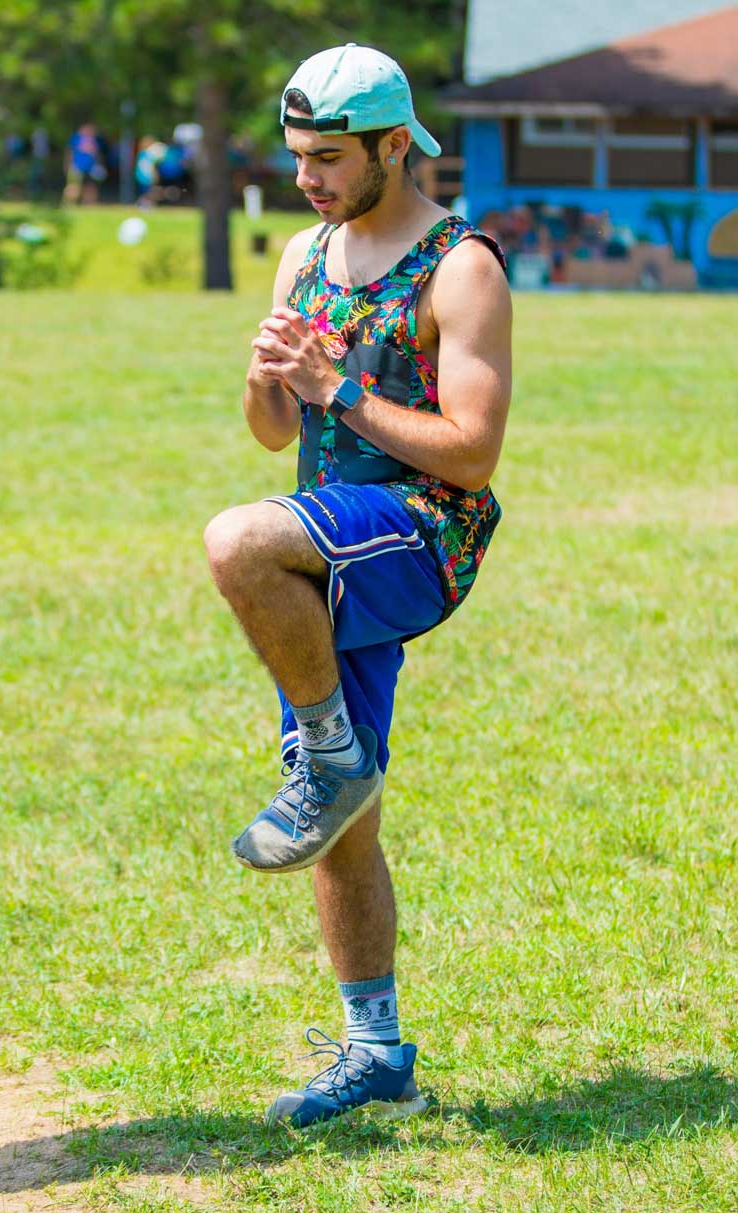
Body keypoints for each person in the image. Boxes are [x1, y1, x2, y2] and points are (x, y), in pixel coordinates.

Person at [202, 43, 513, 1127]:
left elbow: (471, 453)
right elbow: (270, 432)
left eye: (328, 158)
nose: (308, 179)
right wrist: (271, 380)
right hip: (329, 539)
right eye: (296, 157)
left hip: (424, 535)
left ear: (394, 145)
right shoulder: (305, 253)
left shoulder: (459, 266)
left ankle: (327, 756)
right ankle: (376, 1050)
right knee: (346, 818)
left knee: (238, 545)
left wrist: (335, 386)